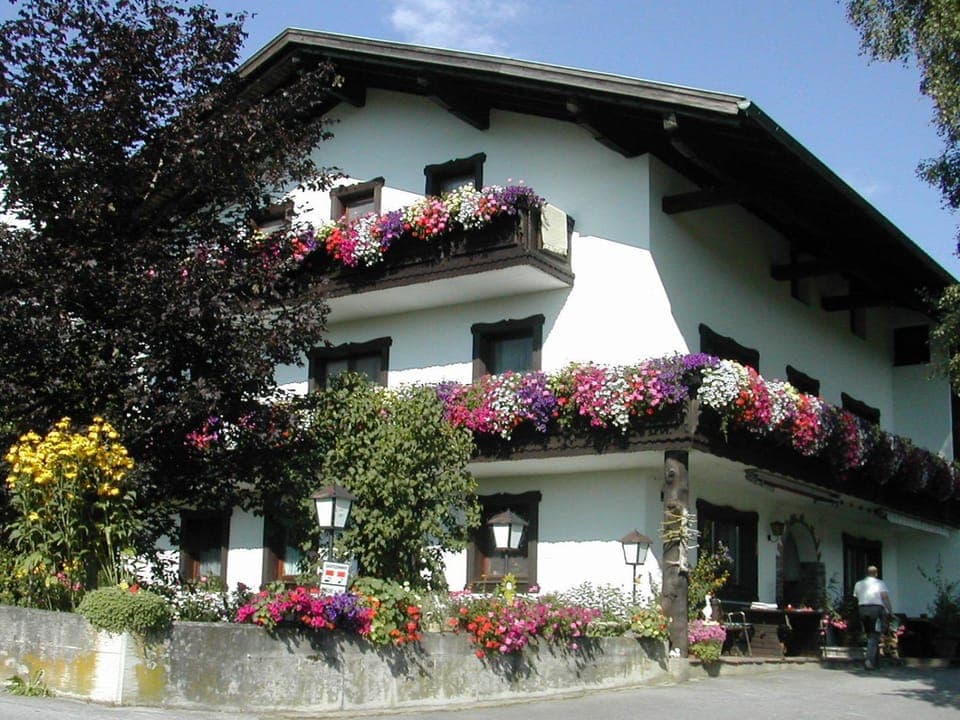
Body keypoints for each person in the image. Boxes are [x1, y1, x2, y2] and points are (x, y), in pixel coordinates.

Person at [853, 565, 893, 670]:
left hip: (862, 609)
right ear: (876, 573)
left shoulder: (858, 584)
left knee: (869, 634)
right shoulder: (879, 583)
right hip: (876, 610)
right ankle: (869, 661)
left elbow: (856, 597)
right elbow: (884, 597)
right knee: (874, 635)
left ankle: (875, 661)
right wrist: (890, 610)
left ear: (866, 573)